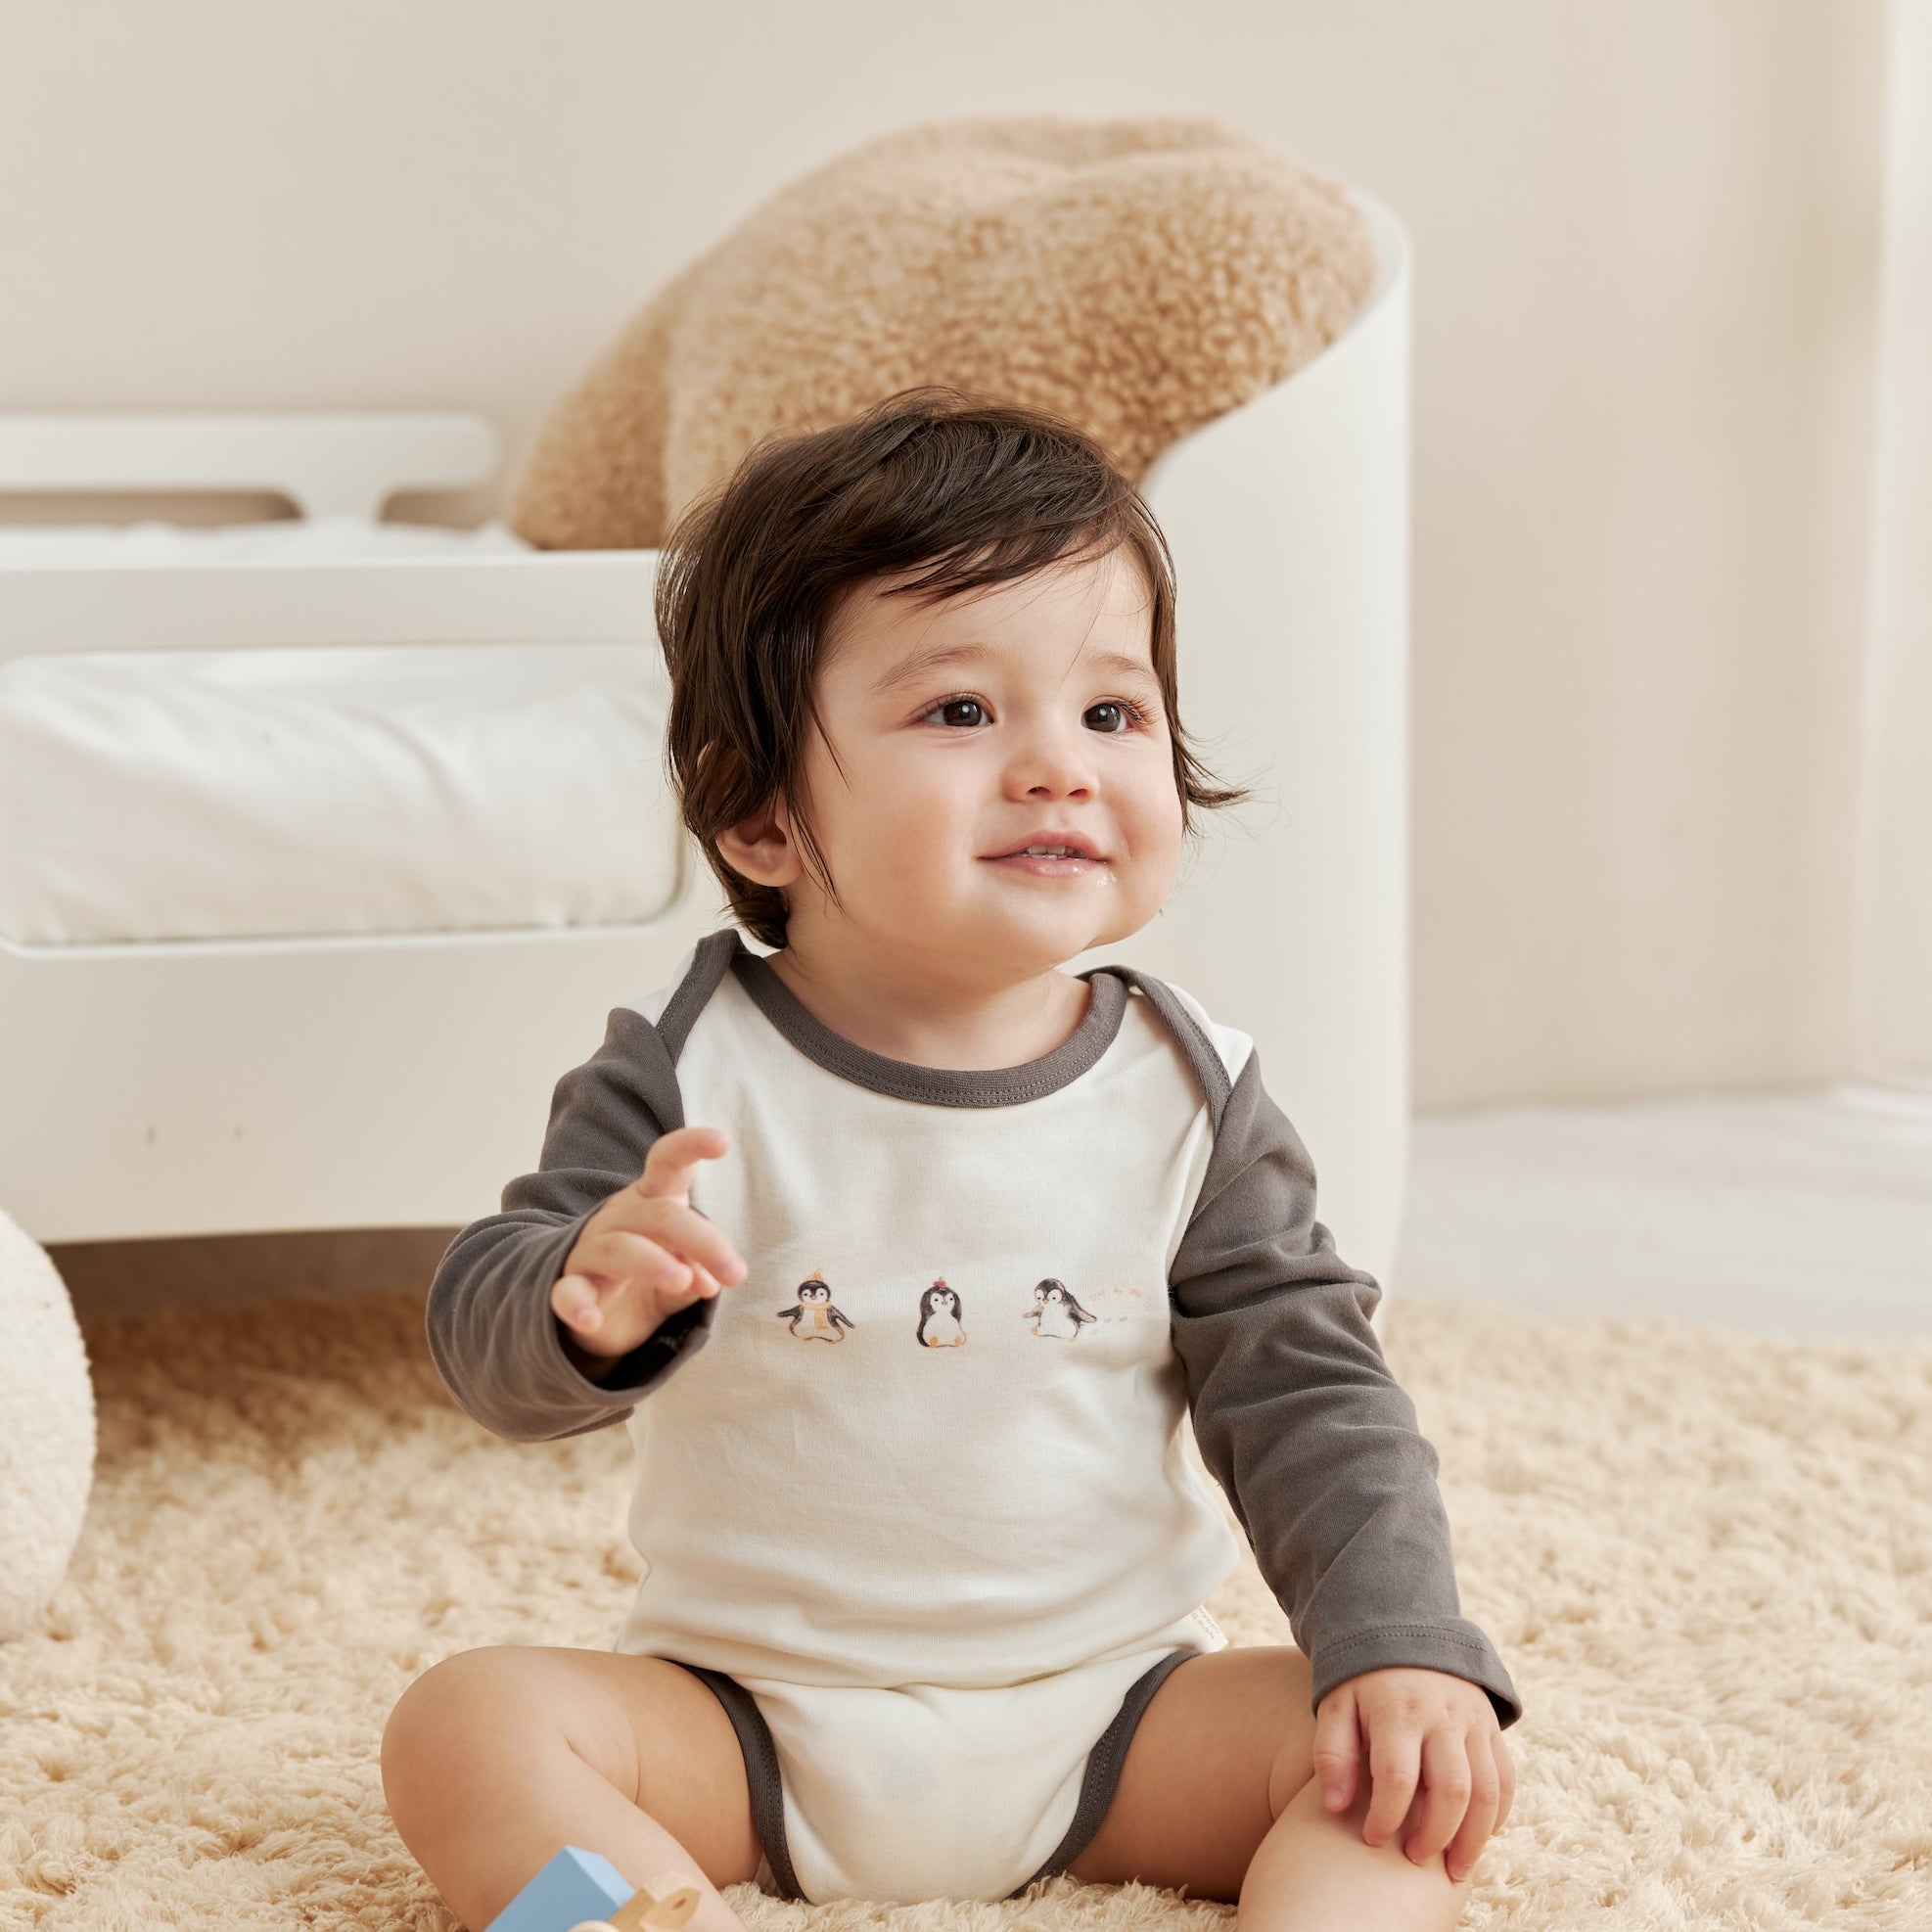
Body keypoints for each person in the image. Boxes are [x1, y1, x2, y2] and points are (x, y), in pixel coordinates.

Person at [382, 390, 1522, 1932]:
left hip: (1115, 1717)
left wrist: (1400, 1641)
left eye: (1110, 713)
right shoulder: (686, 1062)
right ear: (761, 809)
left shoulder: (1193, 1091)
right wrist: (580, 1298)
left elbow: (1309, 1386)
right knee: (464, 1726)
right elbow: (487, 1344)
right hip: (746, 1720)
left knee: (1392, 1774)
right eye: (962, 712)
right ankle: (627, 1917)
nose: (1058, 764)